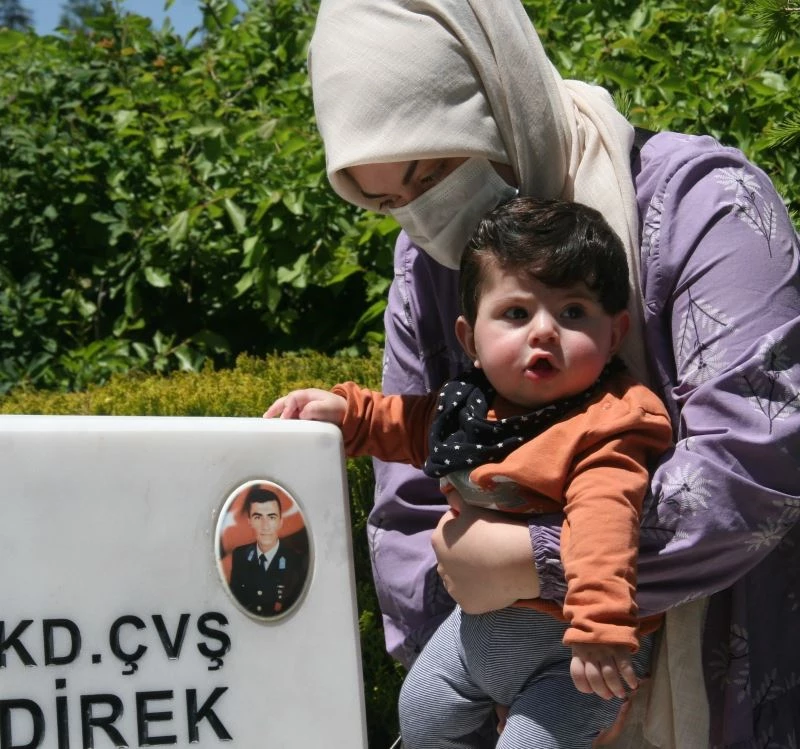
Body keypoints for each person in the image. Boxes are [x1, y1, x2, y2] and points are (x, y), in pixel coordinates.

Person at [306, 0, 800, 745]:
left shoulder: (706, 204)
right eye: (387, 202)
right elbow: (411, 495)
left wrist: (533, 563)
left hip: (715, 687)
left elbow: (755, 463)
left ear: (500, 94)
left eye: (432, 171)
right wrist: (480, 688)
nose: (424, 216)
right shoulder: (430, 265)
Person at [267, 197, 674, 747]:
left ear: (614, 333)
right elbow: (404, 421)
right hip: (473, 635)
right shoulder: (469, 409)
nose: (545, 331)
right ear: (469, 340)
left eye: (574, 312)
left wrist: (599, 631)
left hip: (572, 655)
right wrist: (345, 413)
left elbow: (606, 522)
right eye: (516, 313)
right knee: (422, 713)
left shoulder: (606, 424)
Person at [229, 485, 306, 617]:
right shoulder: (240, 556)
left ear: (280, 522)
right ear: (249, 522)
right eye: (258, 517)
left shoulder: (296, 561)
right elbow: (234, 602)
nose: (265, 526)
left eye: (271, 517)